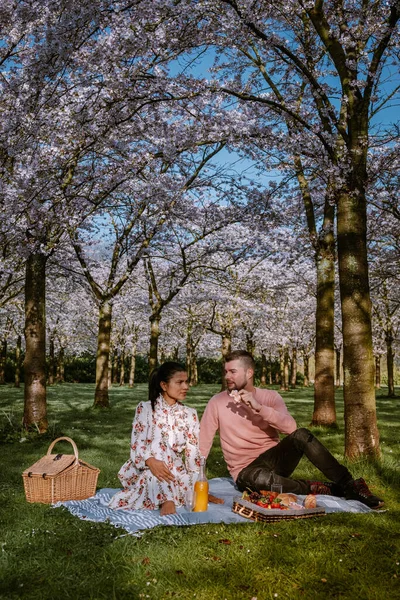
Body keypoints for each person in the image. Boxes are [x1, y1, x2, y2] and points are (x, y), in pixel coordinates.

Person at [199, 350, 384, 509]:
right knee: (260, 479)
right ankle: (319, 488)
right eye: (225, 372)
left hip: (275, 461)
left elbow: (291, 429)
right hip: (246, 472)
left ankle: (349, 485)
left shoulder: (270, 397)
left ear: (249, 373)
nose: (227, 377)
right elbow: (204, 442)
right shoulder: (217, 402)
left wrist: (258, 408)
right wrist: (197, 476)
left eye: (232, 371)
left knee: (303, 435)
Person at [109, 362, 200, 516]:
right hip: (145, 466)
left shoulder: (190, 414)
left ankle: (176, 492)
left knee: (184, 479)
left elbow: (193, 455)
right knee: (157, 448)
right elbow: (137, 444)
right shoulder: (145, 409)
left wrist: (195, 485)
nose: (186, 387)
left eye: (186, 381)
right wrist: (150, 461)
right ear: (164, 385)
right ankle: (167, 499)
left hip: (174, 471)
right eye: (180, 382)